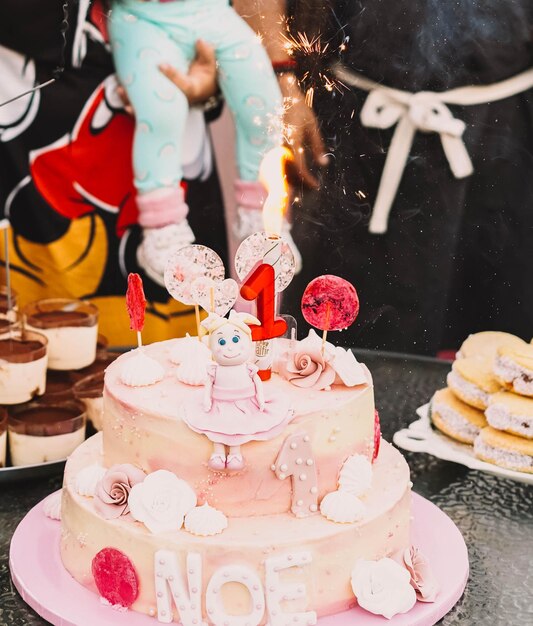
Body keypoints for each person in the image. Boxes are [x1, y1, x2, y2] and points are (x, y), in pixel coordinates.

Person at [282, 0, 533, 355]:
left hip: (500, 132)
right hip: (354, 128)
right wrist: (282, 78)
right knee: (332, 344)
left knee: (499, 352)